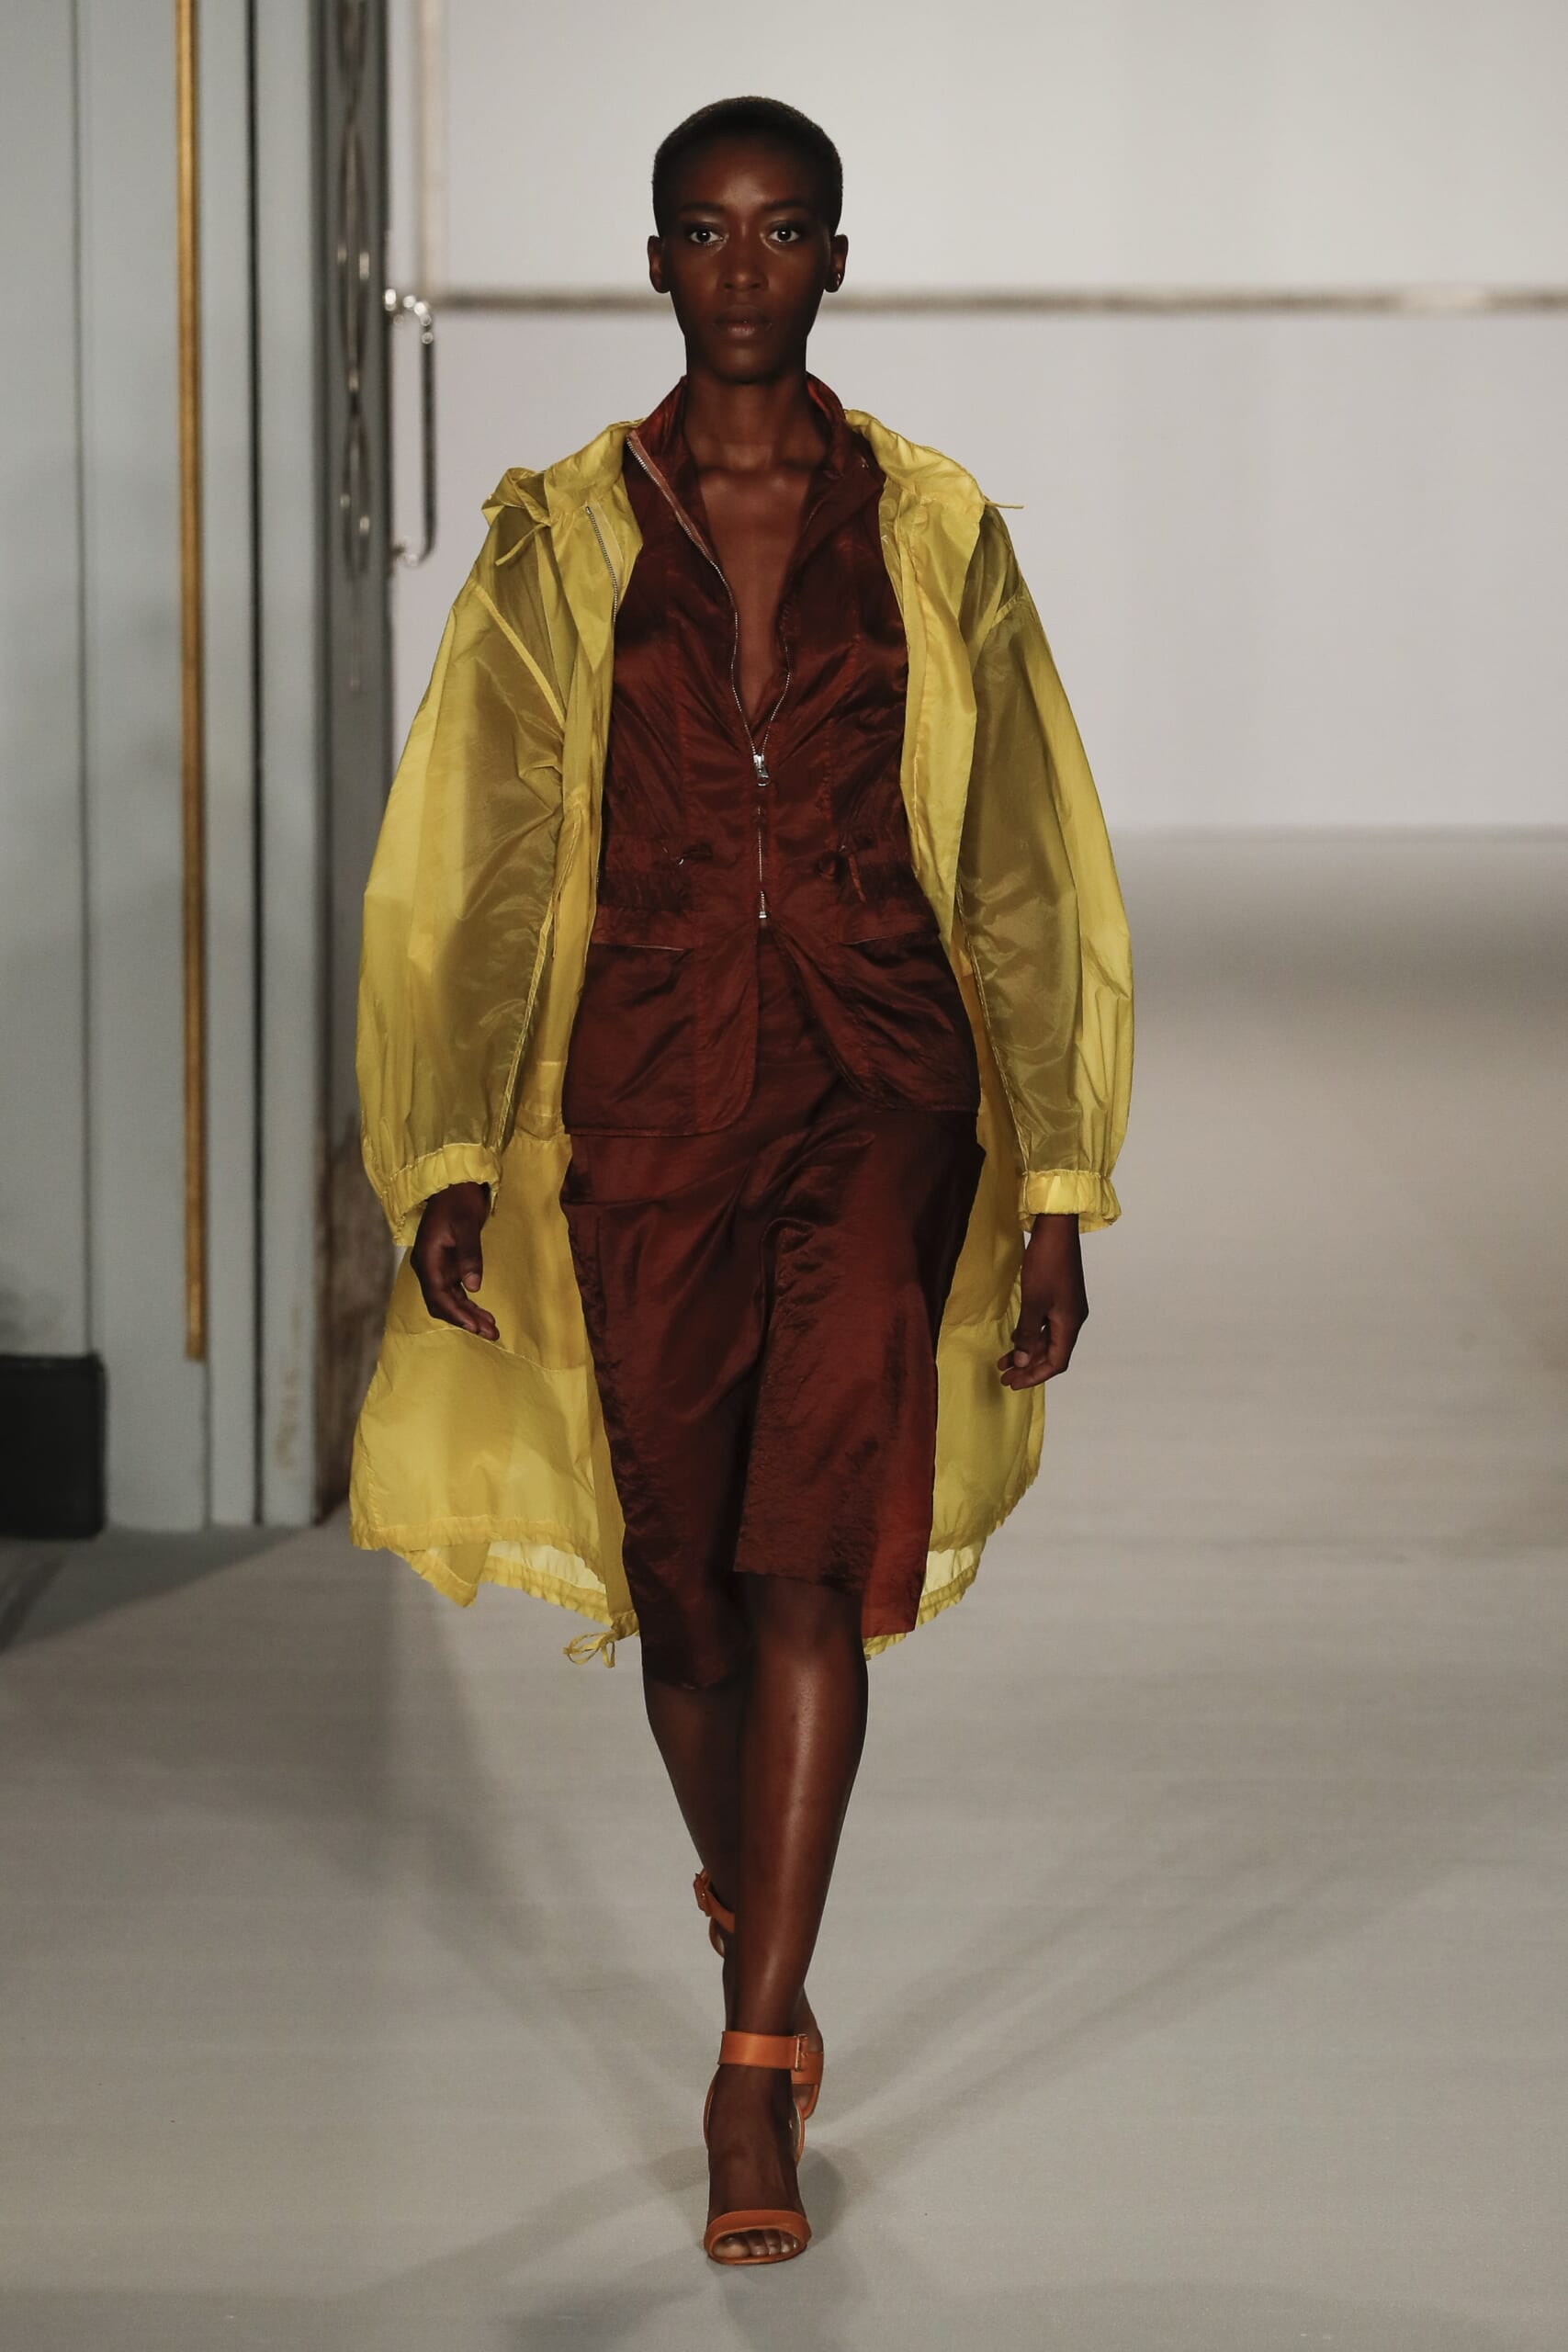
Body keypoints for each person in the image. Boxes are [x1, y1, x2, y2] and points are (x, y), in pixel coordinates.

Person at [350, 95, 1134, 2267]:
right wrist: (446, 1138)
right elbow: (473, 848)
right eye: (705, 233)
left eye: (782, 233)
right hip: (643, 1091)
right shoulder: (555, 542)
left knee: (802, 1557)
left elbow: (1023, 859)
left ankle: (753, 2049)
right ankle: (752, 1898)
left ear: (836, 260)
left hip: (882, 1083)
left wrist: (1053, 1173)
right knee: (683, 1584)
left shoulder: (938, 530)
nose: (742, 272)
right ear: (653, 262)